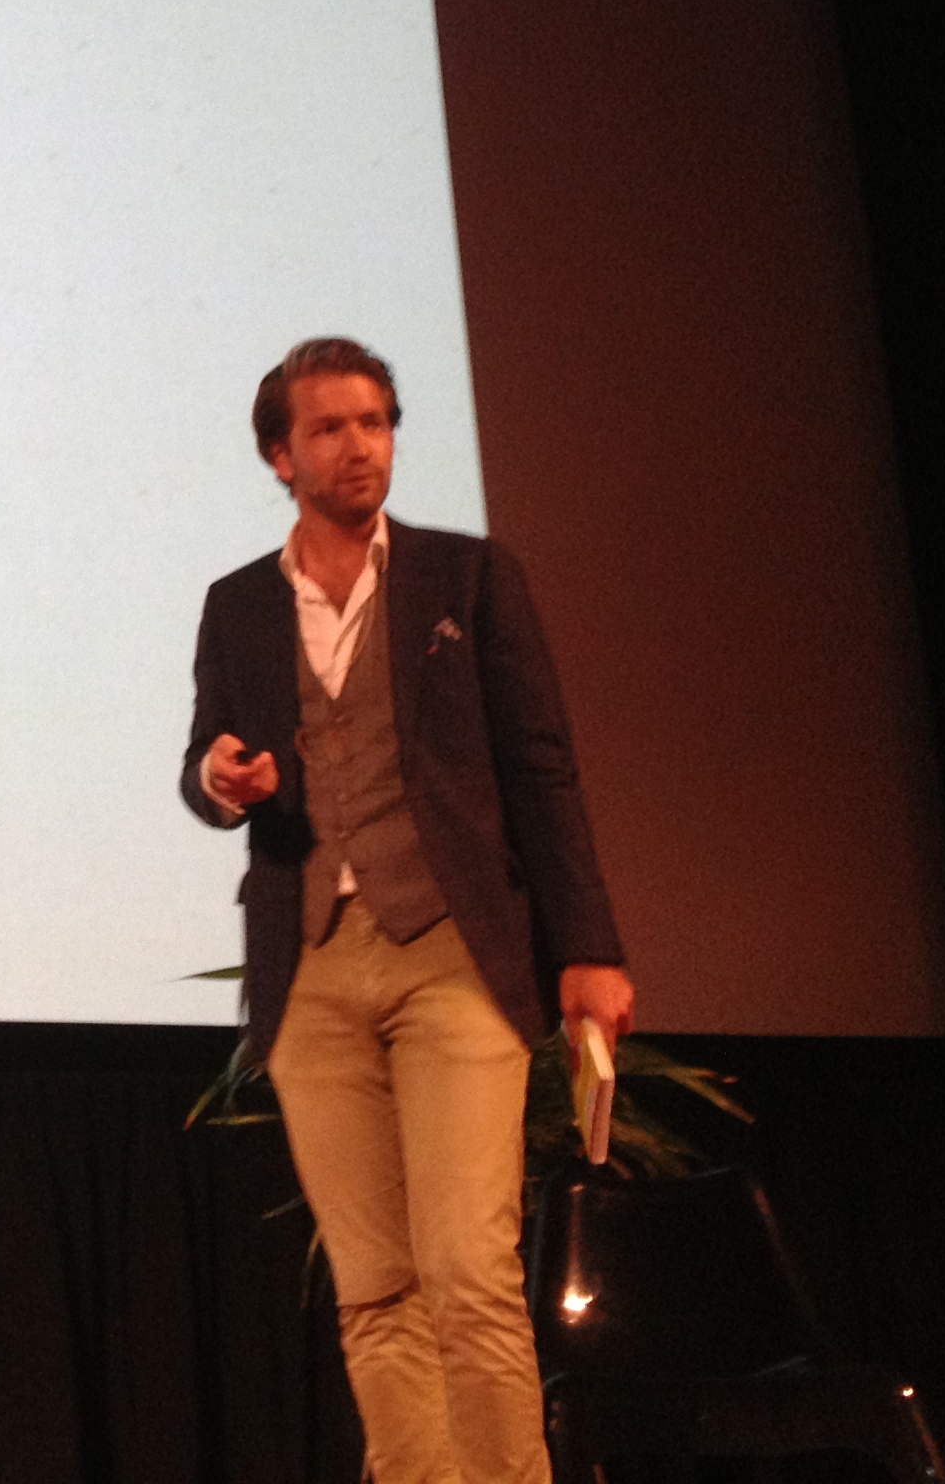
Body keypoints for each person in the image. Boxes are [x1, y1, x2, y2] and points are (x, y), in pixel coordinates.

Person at [182, 336, 632, 1484]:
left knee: (468, 1270)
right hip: (313, 970)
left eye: (375, 422)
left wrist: (587, 947)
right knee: (376, 1287)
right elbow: (204, 761)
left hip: (450, 955)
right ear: (280, 456)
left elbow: (541, 768)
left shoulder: (468, 579)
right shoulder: (238, 604)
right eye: (329, 428)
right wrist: (222, 780)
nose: (359, 447)